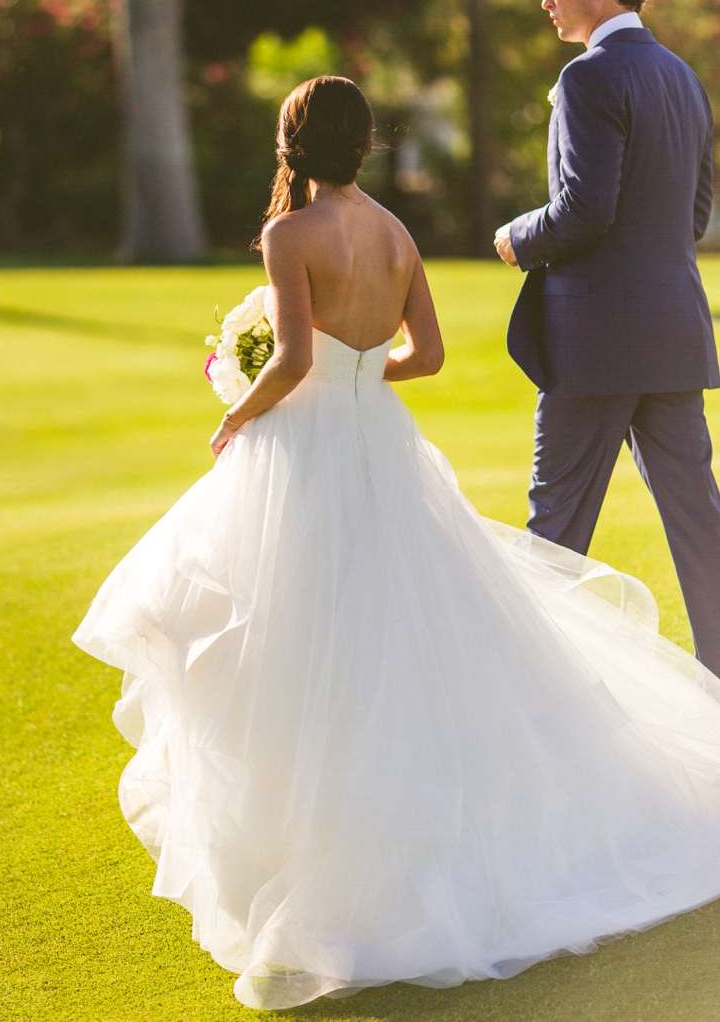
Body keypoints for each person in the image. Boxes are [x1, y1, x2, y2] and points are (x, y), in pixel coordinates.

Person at [75, 76, 720, 1011]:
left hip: (307, 447)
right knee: (396, 626)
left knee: (287, 627)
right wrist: (364, 370)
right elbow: (430, 354)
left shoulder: (287, 235)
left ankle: (318, 835)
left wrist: (240, 409)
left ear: (293, 143)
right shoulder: (394, 231)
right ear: (364, 143)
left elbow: (295, 358)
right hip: (378, 435)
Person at [495, 0, 720, 678]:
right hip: (673, 335)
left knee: (554, 527)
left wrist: (518, 236)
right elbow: (694, 215)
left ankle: (534, 690)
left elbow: (584, 210)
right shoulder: (682, 75)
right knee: (700, 526)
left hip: (597, 344)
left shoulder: (589, 78)